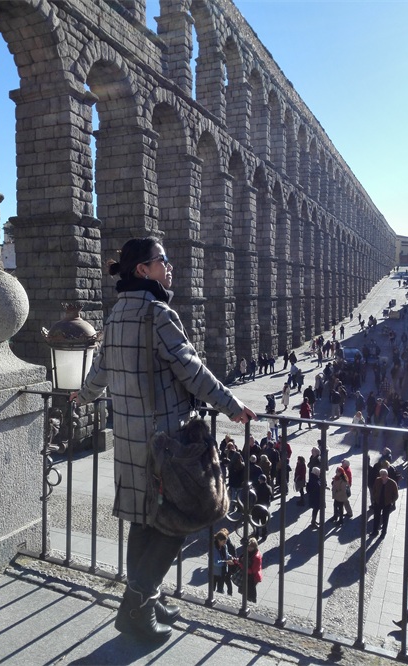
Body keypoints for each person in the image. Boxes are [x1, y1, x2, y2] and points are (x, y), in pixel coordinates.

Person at [72, 236, 255, 642]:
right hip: (166, 440)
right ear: (143, 270)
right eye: (163, 260)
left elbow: (100, 370)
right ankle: (136, 608)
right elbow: (191, 370)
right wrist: (231, 405)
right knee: (177, 519)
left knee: (144, 519)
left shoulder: (116, 315)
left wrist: (81, 396)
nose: (169, 266)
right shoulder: (158, 313)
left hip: (129, 438)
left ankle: (146, 600)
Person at [371, 469, 399, 538]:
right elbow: (374, 489)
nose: (382, 476)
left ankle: (383, 532)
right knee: (376, 517)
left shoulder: (392, 483)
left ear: (387, 475)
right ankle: (375, 531)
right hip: (378, 502)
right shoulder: (377, 480)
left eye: (384, 474)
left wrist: (391, 501)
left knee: (385, 518)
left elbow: (396, 494)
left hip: (386, 503)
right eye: (381, 474)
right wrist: (374, 497)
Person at [236, 537, 263, 602]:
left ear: (254, 547)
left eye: (250, 547)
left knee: (250, 593)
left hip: (252, 577)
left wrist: (241, 565)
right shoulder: (249, 552)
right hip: (248, 576)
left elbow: (252, 571)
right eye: (248, 546)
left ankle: (250, 603)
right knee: (246, 592)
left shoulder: (256, 557)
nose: (248, 548)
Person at [213, 531, 234, 595]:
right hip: (214, 572)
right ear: (219, 540)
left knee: (220, 590)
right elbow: (215, 562)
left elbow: (226, 554)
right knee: (212, 589)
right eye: (224, 541)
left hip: (222, 572)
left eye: (225, 541)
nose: (225, 543)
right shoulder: (214, 548)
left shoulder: (224, 546)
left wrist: (230, 557)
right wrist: (226, 561)